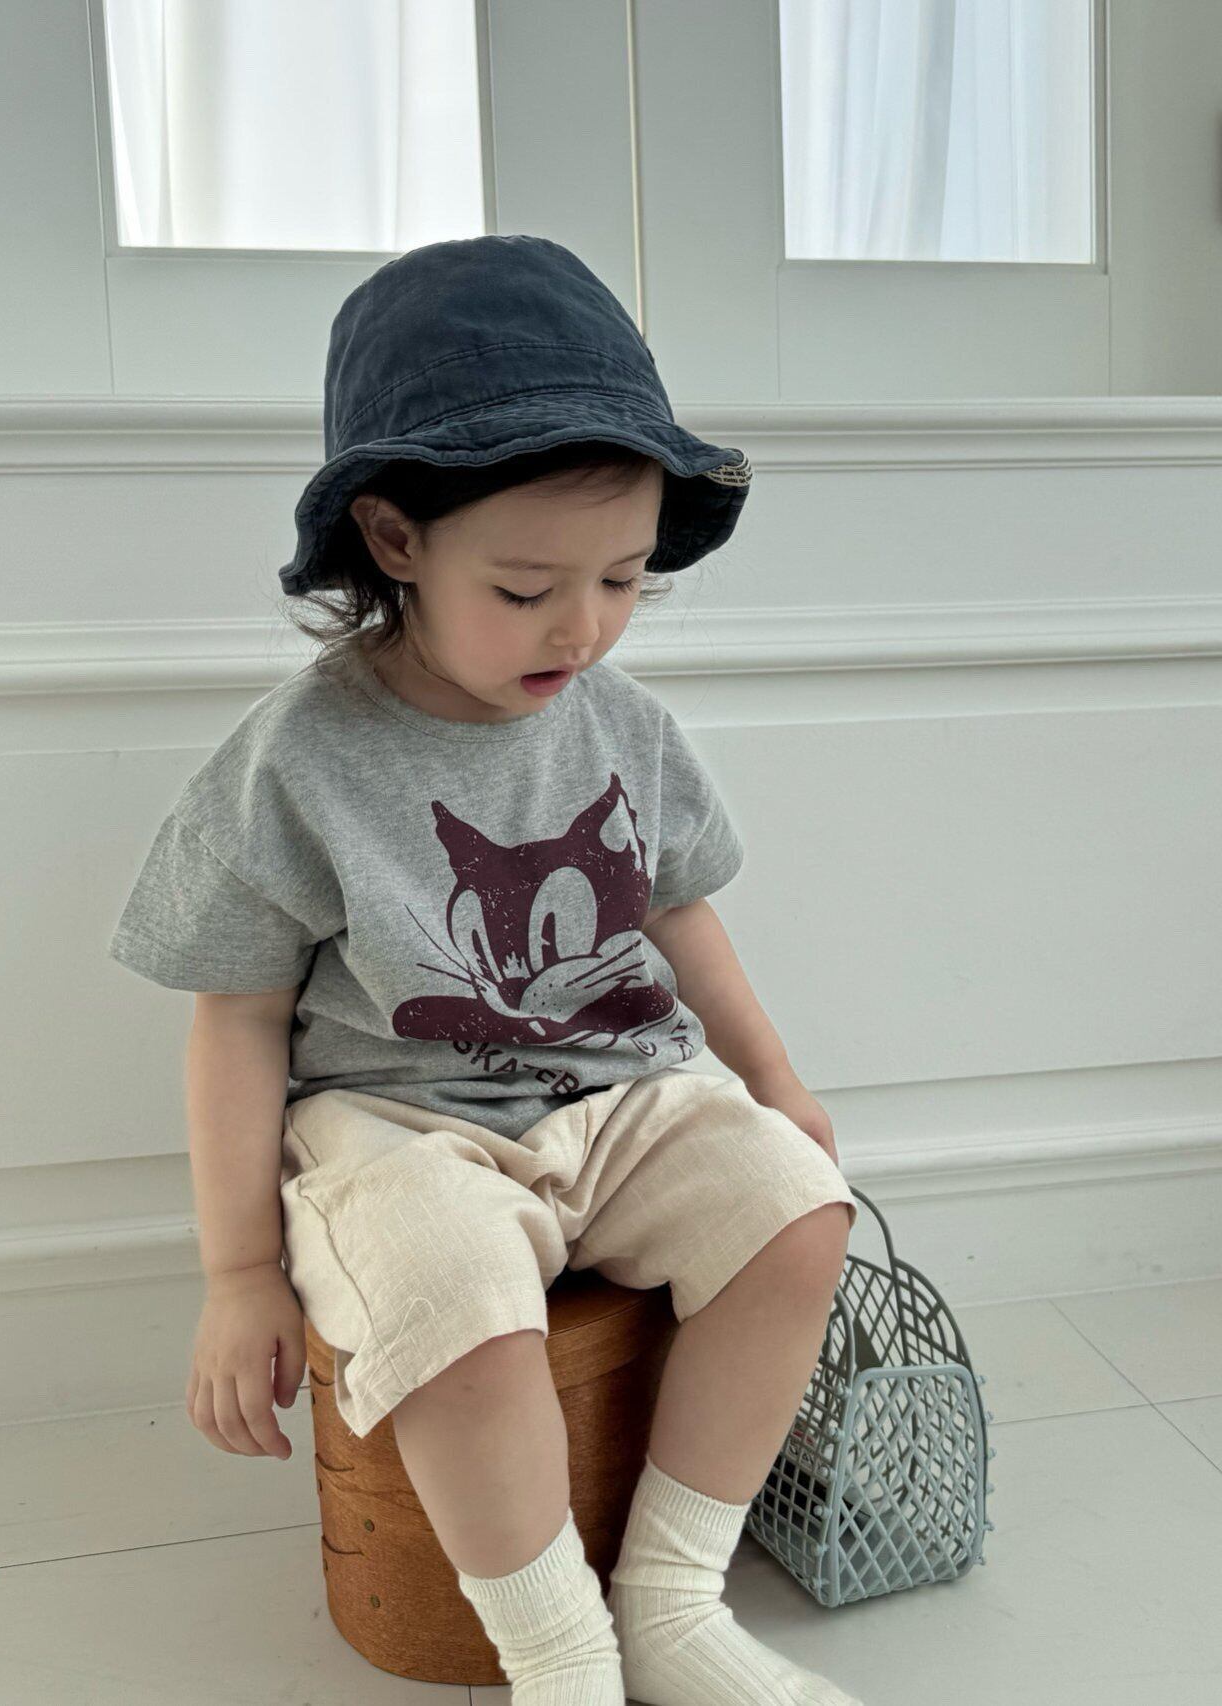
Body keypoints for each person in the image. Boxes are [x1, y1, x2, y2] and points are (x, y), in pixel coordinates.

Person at [108, 235, 862, 1706]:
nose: (582, 627)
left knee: (794, 1210)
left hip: (619, 1093)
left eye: (624, 578)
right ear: (396, 541)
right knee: (451, 1292)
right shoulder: (299, 759)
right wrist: (238, 1272)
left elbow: (681, 911)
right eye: (525, 590)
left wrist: (775, 1083)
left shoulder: (622, 724)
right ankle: (558, 1654)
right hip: (402, 1125)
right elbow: (236, 1019)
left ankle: (669, 1599)